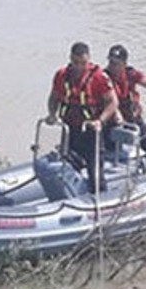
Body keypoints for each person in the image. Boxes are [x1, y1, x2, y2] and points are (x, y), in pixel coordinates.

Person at [46, 41, 118, 193]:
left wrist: (100, 121)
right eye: (76, 62)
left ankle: (100, 195)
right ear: (70, 59)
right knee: (65, 163)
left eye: (83, 63)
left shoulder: (99, 77)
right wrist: (52, 114)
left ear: (89, 60)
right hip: (68, 129)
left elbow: (112, 102)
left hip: (91, 131)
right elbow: (53, 98)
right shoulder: (61, 76)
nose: (79, 67)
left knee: (95, 171)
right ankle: (69, 194)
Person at [104, 44, 146, 179]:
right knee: (106, 152)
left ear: (124, 64)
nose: (112, 66)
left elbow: (145, 81)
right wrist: (118, 118)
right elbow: (111, 101)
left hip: (132, 120)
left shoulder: (131, 74)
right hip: (112, 122)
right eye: (110, 62)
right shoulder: (104, 78)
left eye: (116, 63)